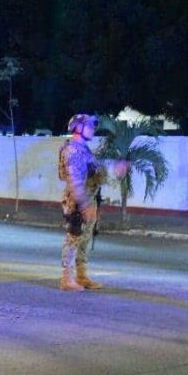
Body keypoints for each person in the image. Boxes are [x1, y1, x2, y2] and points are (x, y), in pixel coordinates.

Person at [58, 114, 109, 291]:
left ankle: (81, 275)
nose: (93, 129)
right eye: (89, 126)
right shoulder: (73, 151)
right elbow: (74, 180)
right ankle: (67, 279)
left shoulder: (83, 149)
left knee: (84, 238)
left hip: (87, 198)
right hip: (77, 201)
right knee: (74, 237)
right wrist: (84, 204)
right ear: (78, 128)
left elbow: (94, 172)